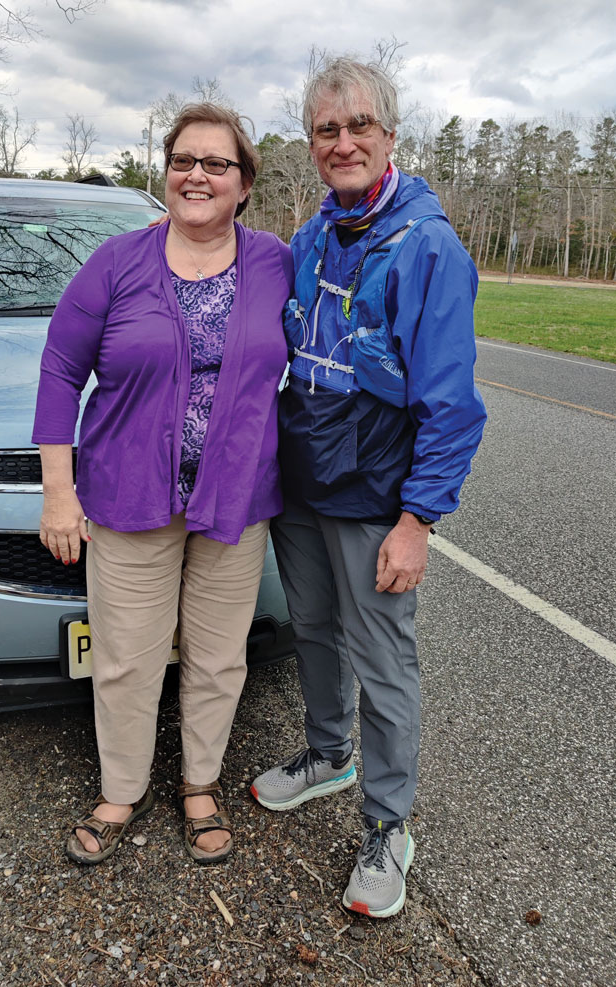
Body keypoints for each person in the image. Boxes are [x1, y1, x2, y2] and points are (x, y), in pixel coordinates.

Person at [251, 59, 487, 916]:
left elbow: (454, 404)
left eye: (358, 127)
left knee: (385, 661)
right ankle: (327, 754)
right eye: (325, 129)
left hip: (378, 493)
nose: (342, 143)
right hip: (304, 482)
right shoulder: (311, 236)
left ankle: (388, 822)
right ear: (311, 144)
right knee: (313, 628)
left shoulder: (428, 245)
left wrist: (419, 517)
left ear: (390, 136)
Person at [33, 103, 292, 866]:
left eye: (218, 164)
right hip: (127, 496)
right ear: (165, 172)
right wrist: (59, 489)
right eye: (184, 160)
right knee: (125, 655)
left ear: (244, 184)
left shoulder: (276, 260)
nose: (198, 175)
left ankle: (201, 784)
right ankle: (122, 788)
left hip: (235, 500)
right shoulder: (118, 261)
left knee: (218, 656)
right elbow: (59, 369)